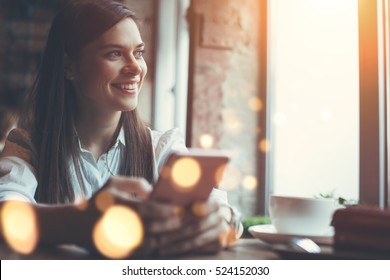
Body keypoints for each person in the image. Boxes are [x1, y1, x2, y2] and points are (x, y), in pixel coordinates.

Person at [0, 0, 242, 258]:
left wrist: (220, 218)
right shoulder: (28, 146)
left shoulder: (161, 148)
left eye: (138, 52)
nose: (136, 67)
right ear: (69, 67)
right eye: (114, 53)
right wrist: (82, 222)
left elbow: (223, 212)